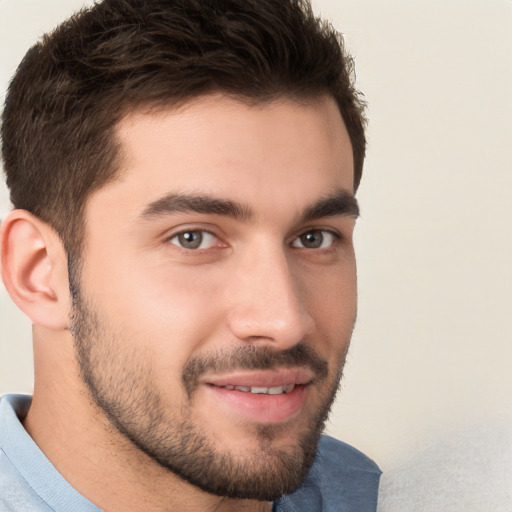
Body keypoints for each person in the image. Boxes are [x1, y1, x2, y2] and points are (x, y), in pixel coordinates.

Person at [0, 0, 381, 510]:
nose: (285, 320)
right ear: (38, 273)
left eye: (314, 238)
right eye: (193, 238)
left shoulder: (406, 497)